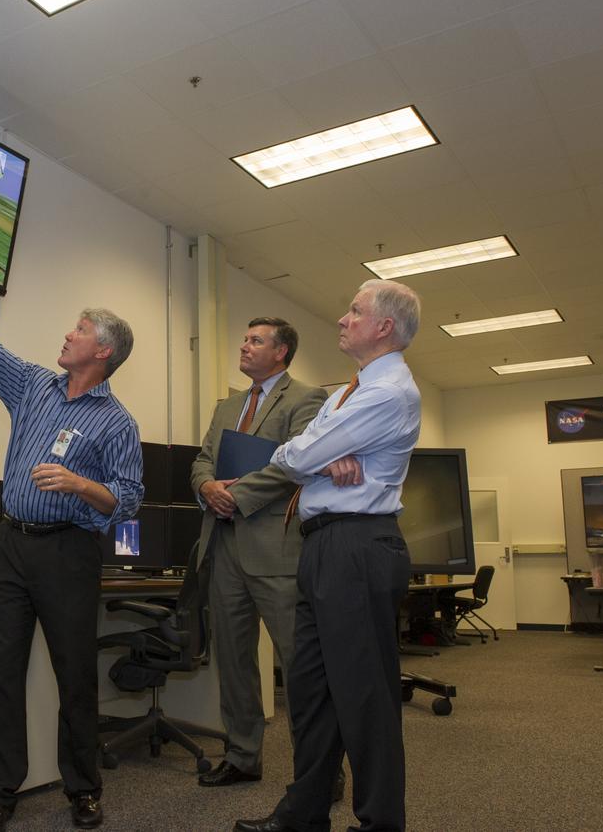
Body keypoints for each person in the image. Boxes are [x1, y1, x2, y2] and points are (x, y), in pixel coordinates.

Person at [0, 244, 143, 832]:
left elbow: (129, 498)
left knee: (74, 674)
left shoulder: (117, 422)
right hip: (11, 545)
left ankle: (84, 790)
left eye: (80, 329)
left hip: (69, 551)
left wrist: (79, 483)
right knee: (3, 672)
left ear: (104, 350)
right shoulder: (35, 387)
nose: (68, 334)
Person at [235, 279, 422, 832]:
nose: (342, 319)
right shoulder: (351, 390)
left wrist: (317, 455)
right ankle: (305, 812)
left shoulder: (388, 392)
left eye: (354, 311)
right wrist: (324, 453)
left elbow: (298, 454)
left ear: (384, 326)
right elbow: (312, 448)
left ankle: (380, 822)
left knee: (364, 696)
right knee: (312, 692)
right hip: (323, 544)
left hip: (358, 545)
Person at [188, 318, 334, 795]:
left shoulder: (306, 399)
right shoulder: (226, 405)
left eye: (256, 340)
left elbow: (297, 464)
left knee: (299, 664)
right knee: (233, 660)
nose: (245, 346)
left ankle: (322, 771)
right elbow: (202, 460)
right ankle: (242, 757)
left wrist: (239, 495)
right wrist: (207, 487)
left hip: (276, 548)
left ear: (281, 351)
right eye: (244, 338)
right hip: (223, 545)